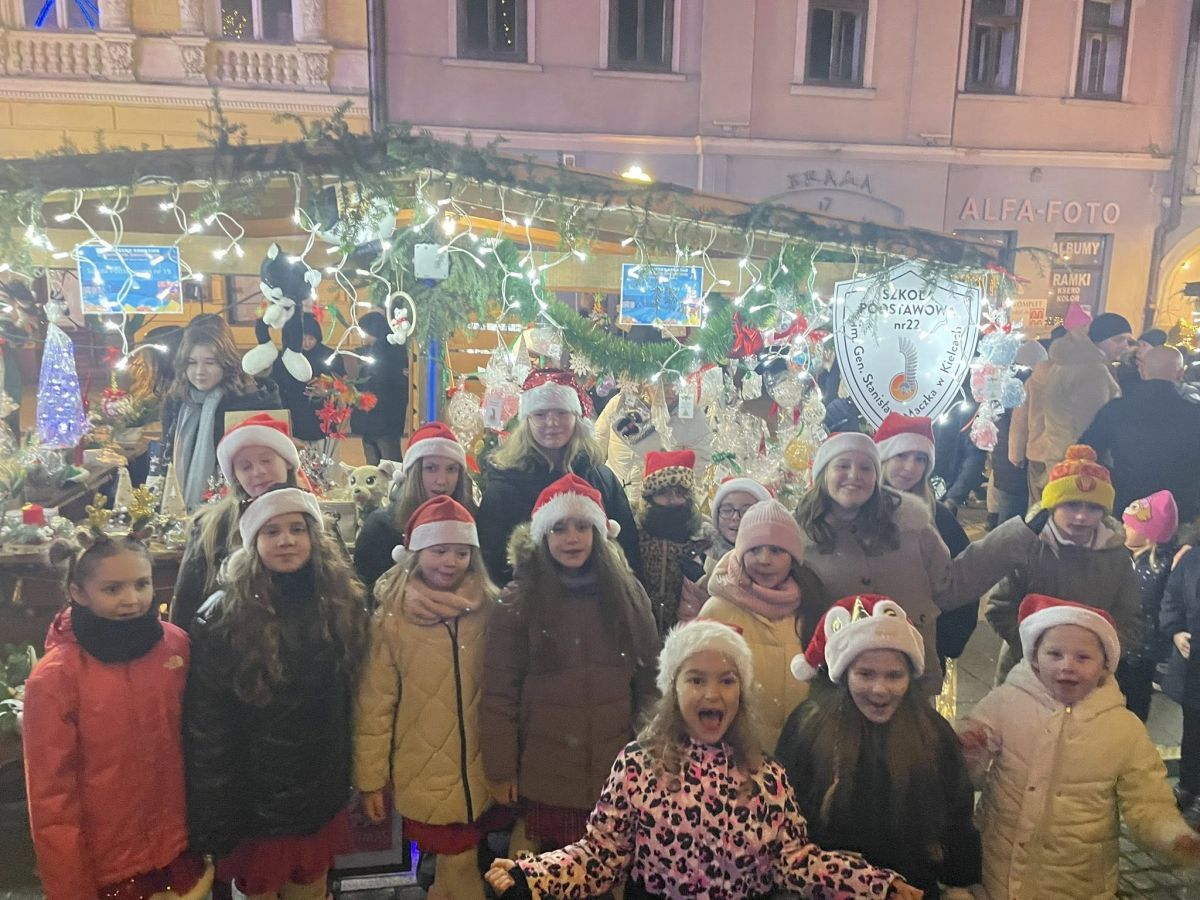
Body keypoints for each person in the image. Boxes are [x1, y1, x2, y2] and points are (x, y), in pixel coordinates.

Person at [484, 620, 917, 900]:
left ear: (741, 691)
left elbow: (794, 861)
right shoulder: (638, 766)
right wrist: (534, 876)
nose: (712, 693)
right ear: (673, 689)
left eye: (727, 681)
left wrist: (874, 885)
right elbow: (601, 856)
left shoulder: (765, 775)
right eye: (696, 680)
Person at [184, 487, 368, 899]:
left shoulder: (339, 603)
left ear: (314, 537)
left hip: (319, 793)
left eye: (297, 529)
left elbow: (345, 703)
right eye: (272, 531)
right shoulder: (223, 615)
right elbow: (208, 726)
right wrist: (215, 813)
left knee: (312, 889)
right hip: (255, 805)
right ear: (253, 542)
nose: (286, 540)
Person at [959, 594, 1200, 899]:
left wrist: (1173, 836)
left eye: (1083, 657)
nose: (1067, 666)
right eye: (1054, 654)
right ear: (1035, 658)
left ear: (1105, 665)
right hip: (998, 868)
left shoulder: (1123, 729)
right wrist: (970, 747)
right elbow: (963, 763)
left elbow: (1147, 801)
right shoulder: (1005, 703)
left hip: (1078, 882)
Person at [23, 533, 212, 900]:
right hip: (108, 864)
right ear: (78, 592)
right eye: (112, 589)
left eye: (141, 584)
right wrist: (70, 889)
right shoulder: (56, 678)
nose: (132, 599)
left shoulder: (176, 646)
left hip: (178, 848)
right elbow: (51, 798)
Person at [481, 474, 659, 856]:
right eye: (559, 528)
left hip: (613, 766)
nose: (572, 538)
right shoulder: (517, 601)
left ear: (599, 533)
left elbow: (648, 680)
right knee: (532, 866)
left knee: (606, 864)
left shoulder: (629, 595)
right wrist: (501, 769)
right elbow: (499, 694)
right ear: (542, 536)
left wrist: (647, 746)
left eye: (582, 526)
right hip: (542, 769)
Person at [794, 432, 1036, 693]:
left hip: (911, 679)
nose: (854, 475)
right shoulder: (797, 537)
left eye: (865, 468)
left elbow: (950, 585)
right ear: (823, 473)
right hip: (836, 681)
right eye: (842, 465)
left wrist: (1018, 535)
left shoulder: (911, 523)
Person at [778, 594, 981, 899]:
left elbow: (957, 815)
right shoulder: (807, 728)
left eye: (894, 676)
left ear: (910, 678)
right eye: (865, 674)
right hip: (829, 888)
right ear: (844, 675)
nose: (880, 689)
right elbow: (787, 819)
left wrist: (959, 882)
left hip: (911, 888)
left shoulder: (933, 734)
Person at [354, 496, 502, 900]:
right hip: (424, 771)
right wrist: (371, 781)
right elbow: (374, 705)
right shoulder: (392, 620)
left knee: (451, 876)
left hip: (481, 771)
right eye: (439, 550)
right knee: (462, 866)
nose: (450, 562)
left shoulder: (489, 609)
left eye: (461, 552)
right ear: (416, 553)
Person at [985, 445, 1142, 682]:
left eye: (1093, 507)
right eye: (1072, 505)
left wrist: (1100, 657)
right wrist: (1037, 652)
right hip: (1026, 671)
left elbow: (1129, 618)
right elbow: (999, 607)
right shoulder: (1027, 546)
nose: (1081, 516)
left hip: (1089, 677)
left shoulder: (1116, 556)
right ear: (1052, 505)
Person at [477, 368, 640, 585]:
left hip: (597, 600)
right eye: (540, 414)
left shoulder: (601, 479)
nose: (552, 423)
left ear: (576, 417)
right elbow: (491, 561)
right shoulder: (505, 486)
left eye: (562, 413)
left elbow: (628, 552)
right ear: (527, 420)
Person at [699, 499, 829, 748]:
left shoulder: (811, 605)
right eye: (754, 550)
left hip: (802, 747)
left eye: (777, 551)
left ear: (793, 558)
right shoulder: (718, 610)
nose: (764, 560)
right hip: (737, 748)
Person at [170, 413, 305, 632]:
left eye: (266, 460)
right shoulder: (211, 527)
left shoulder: (313, 519)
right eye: (245, 467)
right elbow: (187, 601)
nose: (258, 472)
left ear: (287, 462)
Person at [874, 412, 975, 662]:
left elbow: (963, 581)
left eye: (920, 459)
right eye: (901, 456)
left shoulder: (939, 517)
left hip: (922, 645)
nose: (910, 467)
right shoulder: (858, 510)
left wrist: (945, 643)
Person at [161, 315, 280, 511]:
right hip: (180, 504)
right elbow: (166, 453)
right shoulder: (177, 401)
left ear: (226, 363)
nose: (200, 371)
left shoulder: (247, 402)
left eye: (210, 362)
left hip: (236, 504)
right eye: (192, 362)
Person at [353, 421, 476, 598]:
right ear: (414, 472)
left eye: (451, 469)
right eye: (431, 468)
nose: (442, 480)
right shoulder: (380, 528)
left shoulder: (470, 523)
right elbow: (364, 599)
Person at [1079, 345, 1200, 523]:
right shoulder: (1195, 414)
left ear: (1142, 371)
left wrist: (1113, 478)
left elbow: (1085, 452)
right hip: (1183, 509)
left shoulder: (1115, 410)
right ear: (1180, 373)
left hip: (1128, 505)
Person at [1020, 313, 1128, 506]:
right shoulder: (1092, 370)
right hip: (1079, 465)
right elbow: (1092, 426)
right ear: (1099, 340)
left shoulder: (1067, 365)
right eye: (1118, 340)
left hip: (1059, 454)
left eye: (1127, 340)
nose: (1125, 346)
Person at [1117, 490, 1179, 721]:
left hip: (1142, 648)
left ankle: (1133, 733)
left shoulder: (1162, 566)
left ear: (1149, 536)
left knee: (1136, 698)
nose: (1123, 528)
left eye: (1130, 525)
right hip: (1124, 643)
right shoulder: (1128, 556)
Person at [636, 449, 712, 635]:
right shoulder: (636, 532)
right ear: (650, 496)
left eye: (679, 492)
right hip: (642, 628)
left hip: (686, 630)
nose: (672, 499)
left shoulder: (702, 537)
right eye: (663, 492)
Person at [594, 379, 713, 497]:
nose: (670, 390)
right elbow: (597, 441)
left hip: (652, 500)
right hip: (609, 490)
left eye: (675, 384)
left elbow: (698, 472)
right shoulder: (621, 402)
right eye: (663, 384)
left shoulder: (692, 418)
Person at [1159, 523, 1200, 824]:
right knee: (1193, 730)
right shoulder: (1192, 558)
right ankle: (1188, 785)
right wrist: (1175, 631)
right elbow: (1171, 599)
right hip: (1193, 667)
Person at [990, 340, 1046, 527]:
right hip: (1018, 461)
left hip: (1003, 456)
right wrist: (1016, 453)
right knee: (1016, 517)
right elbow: (1019, 424)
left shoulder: (996, 381)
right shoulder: (1030, 383)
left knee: (1007, 512)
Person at [349, 310, 409, 465]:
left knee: (388, 462)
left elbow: (392, 385)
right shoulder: (370, 352)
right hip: (372, 420)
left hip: (384, 419)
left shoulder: (392, 351)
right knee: (375, 463)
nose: (363, 336)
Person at [274, 312, 335, 449]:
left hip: (322, 419)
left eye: (311, 338)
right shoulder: (284, 358)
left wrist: (326, 390)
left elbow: (342, 386)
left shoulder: (329, 356)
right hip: (294, 417)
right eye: (302, 339)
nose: (307, 343)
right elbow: (277, 388)